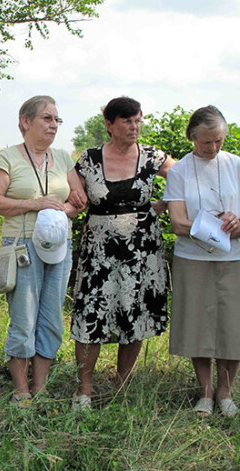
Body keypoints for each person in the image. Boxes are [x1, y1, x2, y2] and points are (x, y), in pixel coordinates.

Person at [70, 97, 174, 411]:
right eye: (127, 121)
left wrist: (166, 204)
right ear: (110, 124)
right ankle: (84, 391)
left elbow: (188, 178)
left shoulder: (153, 156)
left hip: (142, 253)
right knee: (91, 316)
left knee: (135, 313)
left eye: (138, 120)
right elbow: (73, 190)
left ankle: (122, 382)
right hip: (98, 254)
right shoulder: (88, 159)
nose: (134, 127)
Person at [0, 95, 86, 407]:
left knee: (52, 315)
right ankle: (20, 390)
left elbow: (77, 200)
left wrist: (67, 208)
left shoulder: (64, 158)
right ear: (26, 122)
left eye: (57, 120)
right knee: (24, 317)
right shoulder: (8, 158)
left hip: (58, 247)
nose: (54, 125)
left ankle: (40, 388)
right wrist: (34, 204)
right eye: (47, 118)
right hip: (22, 248)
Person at [163, 106, 240, 417]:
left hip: (234, 257)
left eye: (219, 140)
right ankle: (205, 393)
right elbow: (178, 223)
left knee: (232, 326)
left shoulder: (236, 165)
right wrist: (213, 227)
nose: (213, 148)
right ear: (192, 138)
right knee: (198, 324)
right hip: (192, 259)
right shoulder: (180, 170)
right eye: (206, 142)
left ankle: (225, 393)